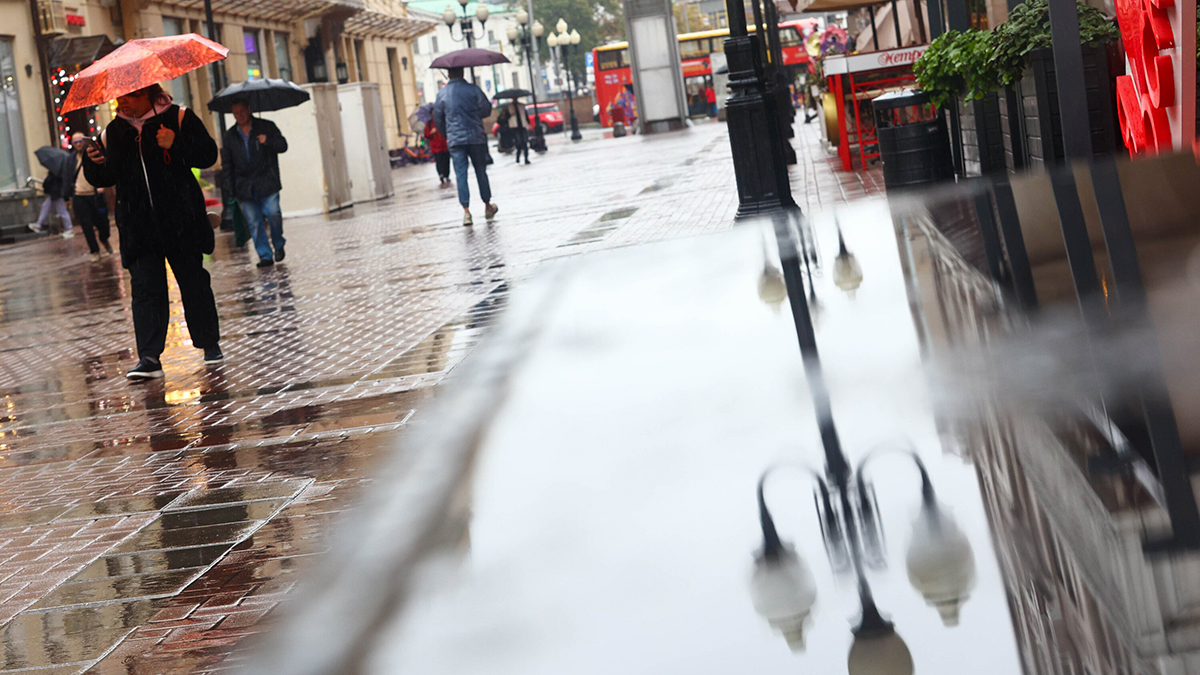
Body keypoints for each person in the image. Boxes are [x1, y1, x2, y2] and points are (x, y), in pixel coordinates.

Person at [83, 83, 223, 379]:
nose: (123, 102)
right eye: (119, 96)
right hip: (139, 227)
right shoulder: (113, 132)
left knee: (194, 283)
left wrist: (176, 143)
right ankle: (149, 357)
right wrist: (92, 163)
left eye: (130, 95)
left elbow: (208, 155)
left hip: (181, 223)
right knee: (146, 291)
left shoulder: (179, 117)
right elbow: (105, 177)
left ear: (148, 93)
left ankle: (209, 344)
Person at [222, 99, 288, 268]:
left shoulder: (266, 126)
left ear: (249, 110)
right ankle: (265, 255)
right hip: (245, 186)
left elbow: (282, 145)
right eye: (236, 113)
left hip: (267, 181)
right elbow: (227, 164)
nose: (240, 115)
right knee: (254, 223)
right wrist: (231, 189)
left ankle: (278, 243)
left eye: (242, 111)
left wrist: (269, 141)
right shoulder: (230, 136)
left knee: (273, 214)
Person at [433, 66, 498, 226]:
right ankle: (487, 205)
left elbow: (438, 118)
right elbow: (486, 109)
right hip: (475, 136)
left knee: (461, 175)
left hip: (455, 139)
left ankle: (466, 212)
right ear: (462, 73)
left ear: (448, 74)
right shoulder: (473, 89)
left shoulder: (442, 94)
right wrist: (474, 113)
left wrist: (447, 133)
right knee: (480, 171)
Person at [70, 132, 113, 259]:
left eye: (80, 141)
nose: (78, 144)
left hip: (95, 195)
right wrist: (67, 196)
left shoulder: (94, 154)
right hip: (79, 196)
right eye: (75, 142)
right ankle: (95, 251)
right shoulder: (71, 160)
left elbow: (104, 169)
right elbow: (68, 177)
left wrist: (102, 185)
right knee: (86, 225)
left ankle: (104, 239)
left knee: (103, 223)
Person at [28, 152, 75, 238]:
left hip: (56, 193)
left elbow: (53, 182)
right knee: (46, 206)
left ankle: (69, 229)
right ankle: (39, 224)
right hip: (55, 193)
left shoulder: (58, 172)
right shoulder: (57, 171)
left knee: (61, 210)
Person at [498, 99, 530, 165]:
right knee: (518, 143)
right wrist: (510, 114)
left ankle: (526, 158)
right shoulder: (509, 107)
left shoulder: (521, 106)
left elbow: (525, 115)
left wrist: (528, 123)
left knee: (525, 143)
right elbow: (503, 119)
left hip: (522, 126)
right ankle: (518, 158)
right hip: (514, 127)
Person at [424, 117, 451, 188]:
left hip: (445, 146)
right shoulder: (429, 124)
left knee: (446, 161)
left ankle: (447, 174)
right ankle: (441, 174)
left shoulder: (443, 120)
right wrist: (431, 133)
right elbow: (426, 135)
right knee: (439, 162)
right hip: (436, 147)